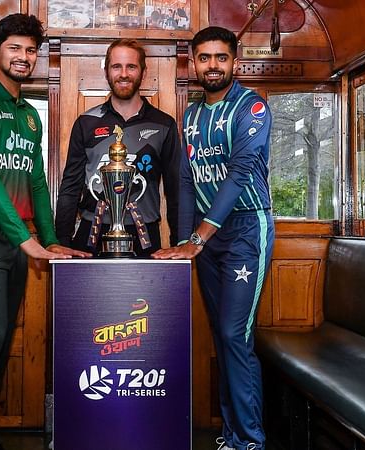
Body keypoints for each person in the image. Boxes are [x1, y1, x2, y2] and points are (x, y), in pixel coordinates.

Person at [0, 13, 90, 450]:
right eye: (15, 48)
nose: (24, 57)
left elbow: (36, 181)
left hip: (15, 239)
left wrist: (49, 240)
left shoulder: (30, 116)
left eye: (31, 50)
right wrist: (26, 241)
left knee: (2, 338)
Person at [153, 26, 275, 450]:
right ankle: (232, 434)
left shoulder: (251, 107)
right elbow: (186, 181)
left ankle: (251, 442)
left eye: (220, 57)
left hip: (245, 230)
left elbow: (240, 174)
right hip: (206, 237)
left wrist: (198, 238)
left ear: (234, 62)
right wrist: (186, 239)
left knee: (233, 334)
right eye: (203, 58)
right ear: (193, 62)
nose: (212, 65)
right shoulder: (190, 116)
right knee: (223, 337)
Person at [55, 38, 181, 257]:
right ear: (107, 72)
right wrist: (63, 240)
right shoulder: (86, 122)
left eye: (131, 66)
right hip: (91, 233)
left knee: (144, 293)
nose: (123, 74)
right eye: (116, 66)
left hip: (145, 236)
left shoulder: (164, 124)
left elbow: (176, 190)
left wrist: (180, 241)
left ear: (143, 71)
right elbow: (70, 186)